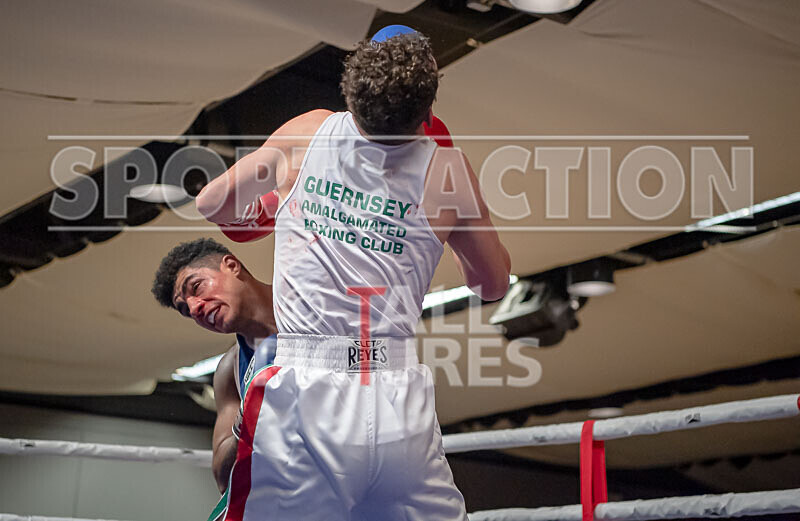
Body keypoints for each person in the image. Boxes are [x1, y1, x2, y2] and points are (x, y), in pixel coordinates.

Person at [196, 26, 510, 521]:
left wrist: (279, 204)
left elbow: (212, 203)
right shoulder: (450, 170)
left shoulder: (309, 131)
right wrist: (443, 236)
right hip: (396, 394)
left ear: (350, 93)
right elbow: (492, 285)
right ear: (428, 112)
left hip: (306, 388)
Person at [151, 238, 278, 493]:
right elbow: (223, 477)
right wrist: (246, 419)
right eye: (185, 310)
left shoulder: (316, 303)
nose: (194, 308)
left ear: (231, 266)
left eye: (197, 287)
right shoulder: (230, 371)